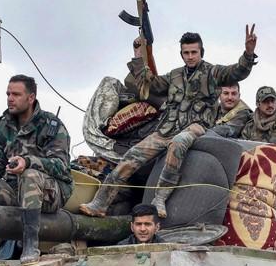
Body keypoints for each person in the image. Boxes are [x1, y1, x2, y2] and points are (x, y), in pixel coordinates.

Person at [80, 26, 258, 219]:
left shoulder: (212, 73)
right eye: (186, 53)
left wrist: (248, 53)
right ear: (181, 54)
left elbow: (236, 72)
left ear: (201, 52)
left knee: (179, 142)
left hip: (196, 126)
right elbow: (152, 84)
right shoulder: (175, 75)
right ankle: (100, 203)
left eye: (194, 52)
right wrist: (138, 56)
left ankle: (160, 197)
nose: (190, 56)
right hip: (167, 128)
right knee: (132, 156)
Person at [0, 75, 71, 264]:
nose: (10, 98)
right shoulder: (3, 126)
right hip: (14, 189)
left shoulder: (51, 126)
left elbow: (60, 165)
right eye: (8, 94)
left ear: (31, 98)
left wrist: (27, 162)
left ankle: (30, 244)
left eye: (16, 94)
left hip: (51, 192)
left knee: (30, 176)